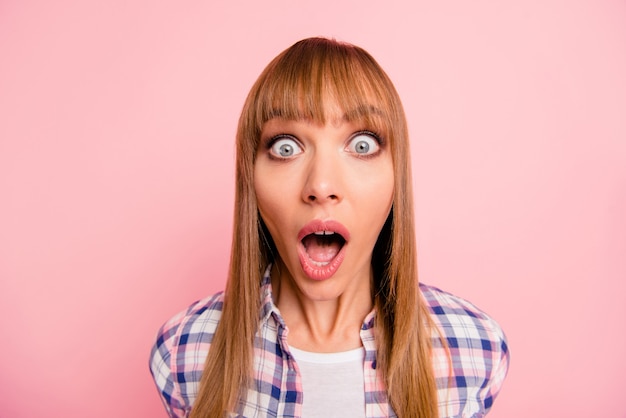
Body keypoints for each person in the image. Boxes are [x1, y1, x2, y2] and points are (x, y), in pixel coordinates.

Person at [150, 37, 509, 418]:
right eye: (286, 147)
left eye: (362, 145)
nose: (321, 186)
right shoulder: (185, 352)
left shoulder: (472, 350)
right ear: (250, 177)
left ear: (395, 179)